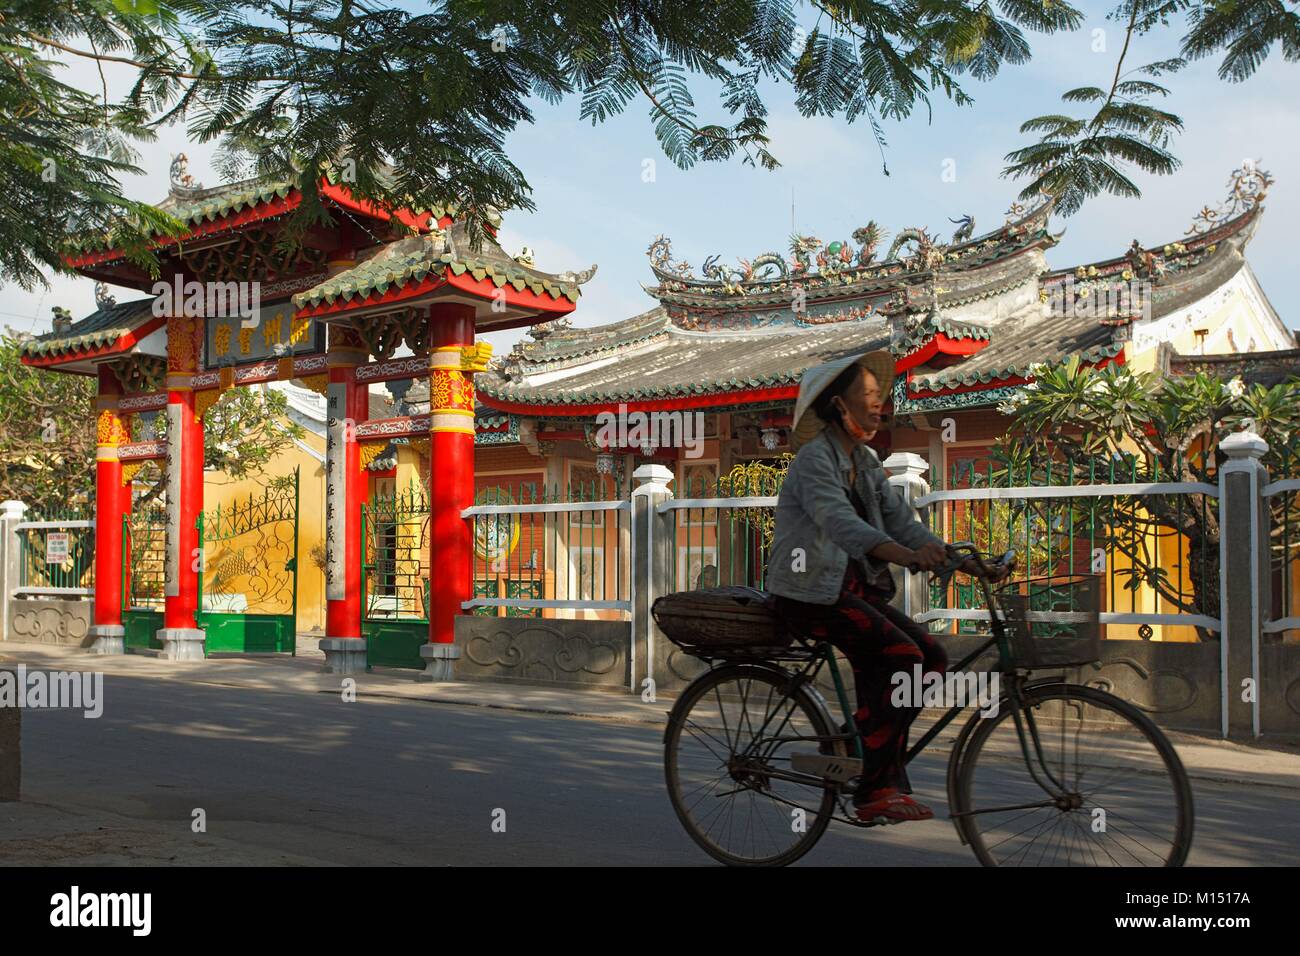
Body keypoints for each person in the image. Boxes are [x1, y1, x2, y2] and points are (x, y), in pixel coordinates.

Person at [765, 350, 1008, 825]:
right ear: (839, 406)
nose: (880, 406)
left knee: (932, 657)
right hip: (810, 595)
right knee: (903, 658)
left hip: (853, 593)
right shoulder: (816, 461)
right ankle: (873, 784)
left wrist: (963, 562)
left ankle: (857, 746)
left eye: (880, 398)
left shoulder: (868, 462)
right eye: (870, 397)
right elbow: (840, 525)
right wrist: (903, 555)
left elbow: (904, 523)